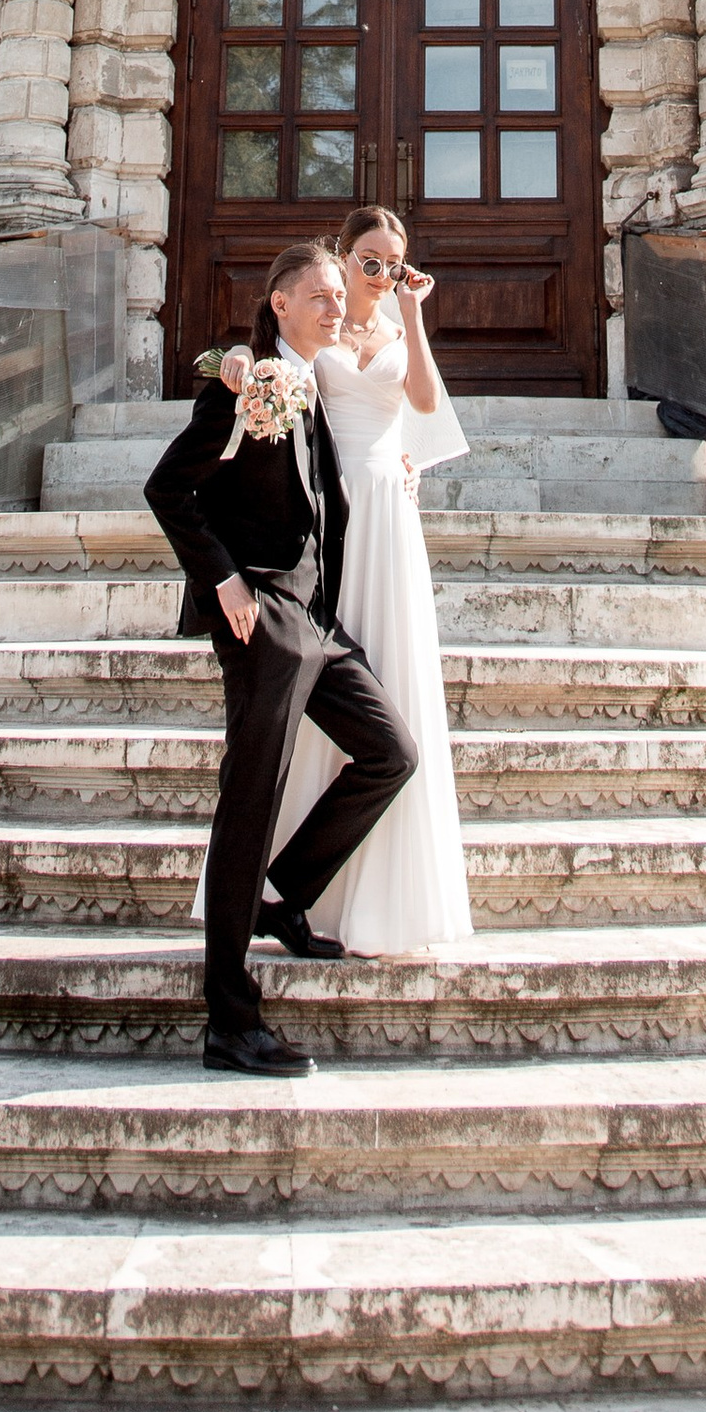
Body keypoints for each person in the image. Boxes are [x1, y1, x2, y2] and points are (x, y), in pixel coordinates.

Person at [141, 238, 418, 1074]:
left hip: (318, 621)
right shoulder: (245, 383)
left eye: (341, 294)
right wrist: (222, 580)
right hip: (264, 618)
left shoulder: (314, 379)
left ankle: (285, 895)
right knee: (249, 804)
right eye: (321, 296)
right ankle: (230, 1021)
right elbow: (167, 489)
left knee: (391, 753)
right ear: (281, 305)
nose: (338, 307)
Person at [259, 205, 474, 947]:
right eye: (370, 261)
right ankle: (282, 887)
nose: (381, 274)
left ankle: (371, 897)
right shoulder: (314, 329)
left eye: (393, 263)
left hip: (386, 511)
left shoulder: (396, 328)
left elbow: (423, 402)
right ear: (343, 258)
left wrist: (412, 313)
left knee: (392, 676)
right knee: (321, 683)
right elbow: (272, 384)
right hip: (325, 510)